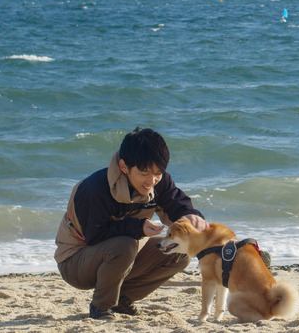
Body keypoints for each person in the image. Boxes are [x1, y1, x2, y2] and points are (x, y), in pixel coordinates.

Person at [55, 127, 208, 320]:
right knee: (125, 245)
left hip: (123, 252)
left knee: (178, 252)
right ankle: (101, 307)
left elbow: (176, 204)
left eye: (158, 172)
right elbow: (94, 235)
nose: (151, 180)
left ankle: (123, 299)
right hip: (76, 260)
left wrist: (190, 216)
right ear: (124, 166)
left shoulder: (157, 181)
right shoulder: (94, 189)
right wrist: (138, 228)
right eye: (144, 173)